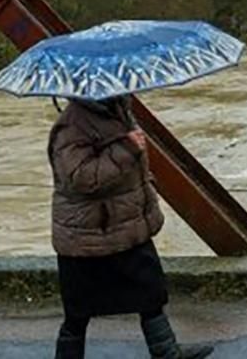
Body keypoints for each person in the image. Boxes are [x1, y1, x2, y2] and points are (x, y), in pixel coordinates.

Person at [48, 94, 212, 359]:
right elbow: (80, 178)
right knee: (78, 312)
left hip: (125, 225)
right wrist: (126, 150)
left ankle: (167, 353)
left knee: (151, 294)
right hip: (87, 235)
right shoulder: (72, 125)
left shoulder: (117, 108)